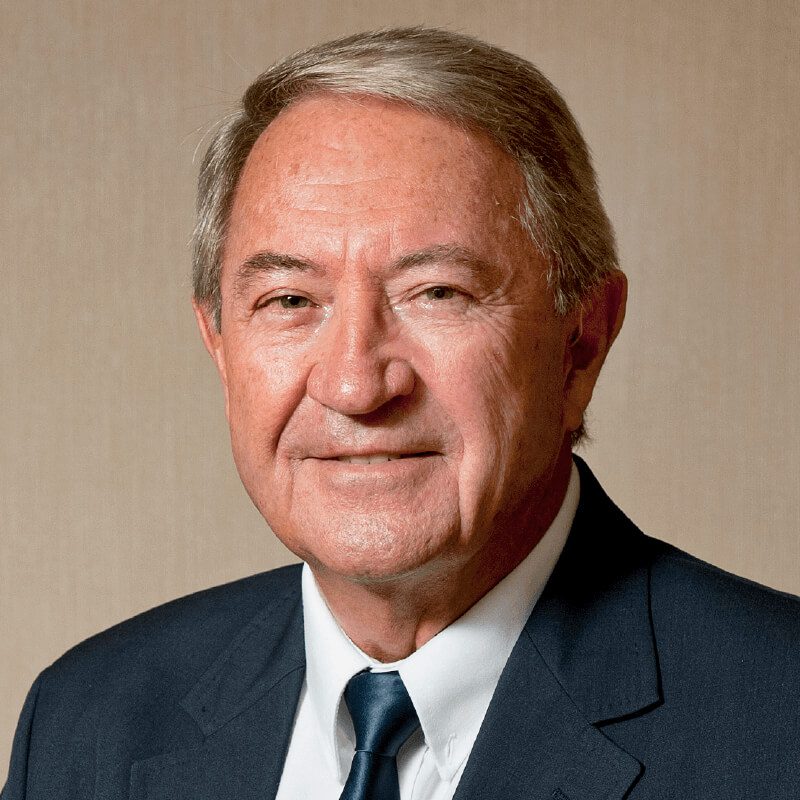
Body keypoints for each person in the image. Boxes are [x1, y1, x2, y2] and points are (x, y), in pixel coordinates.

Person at [3, 26, 798, 800]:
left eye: (438, 293)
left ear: (581, 341)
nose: (356, 385)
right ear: (219, 343)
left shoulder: (779, 724)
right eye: (289, 300)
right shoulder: (88, 725)